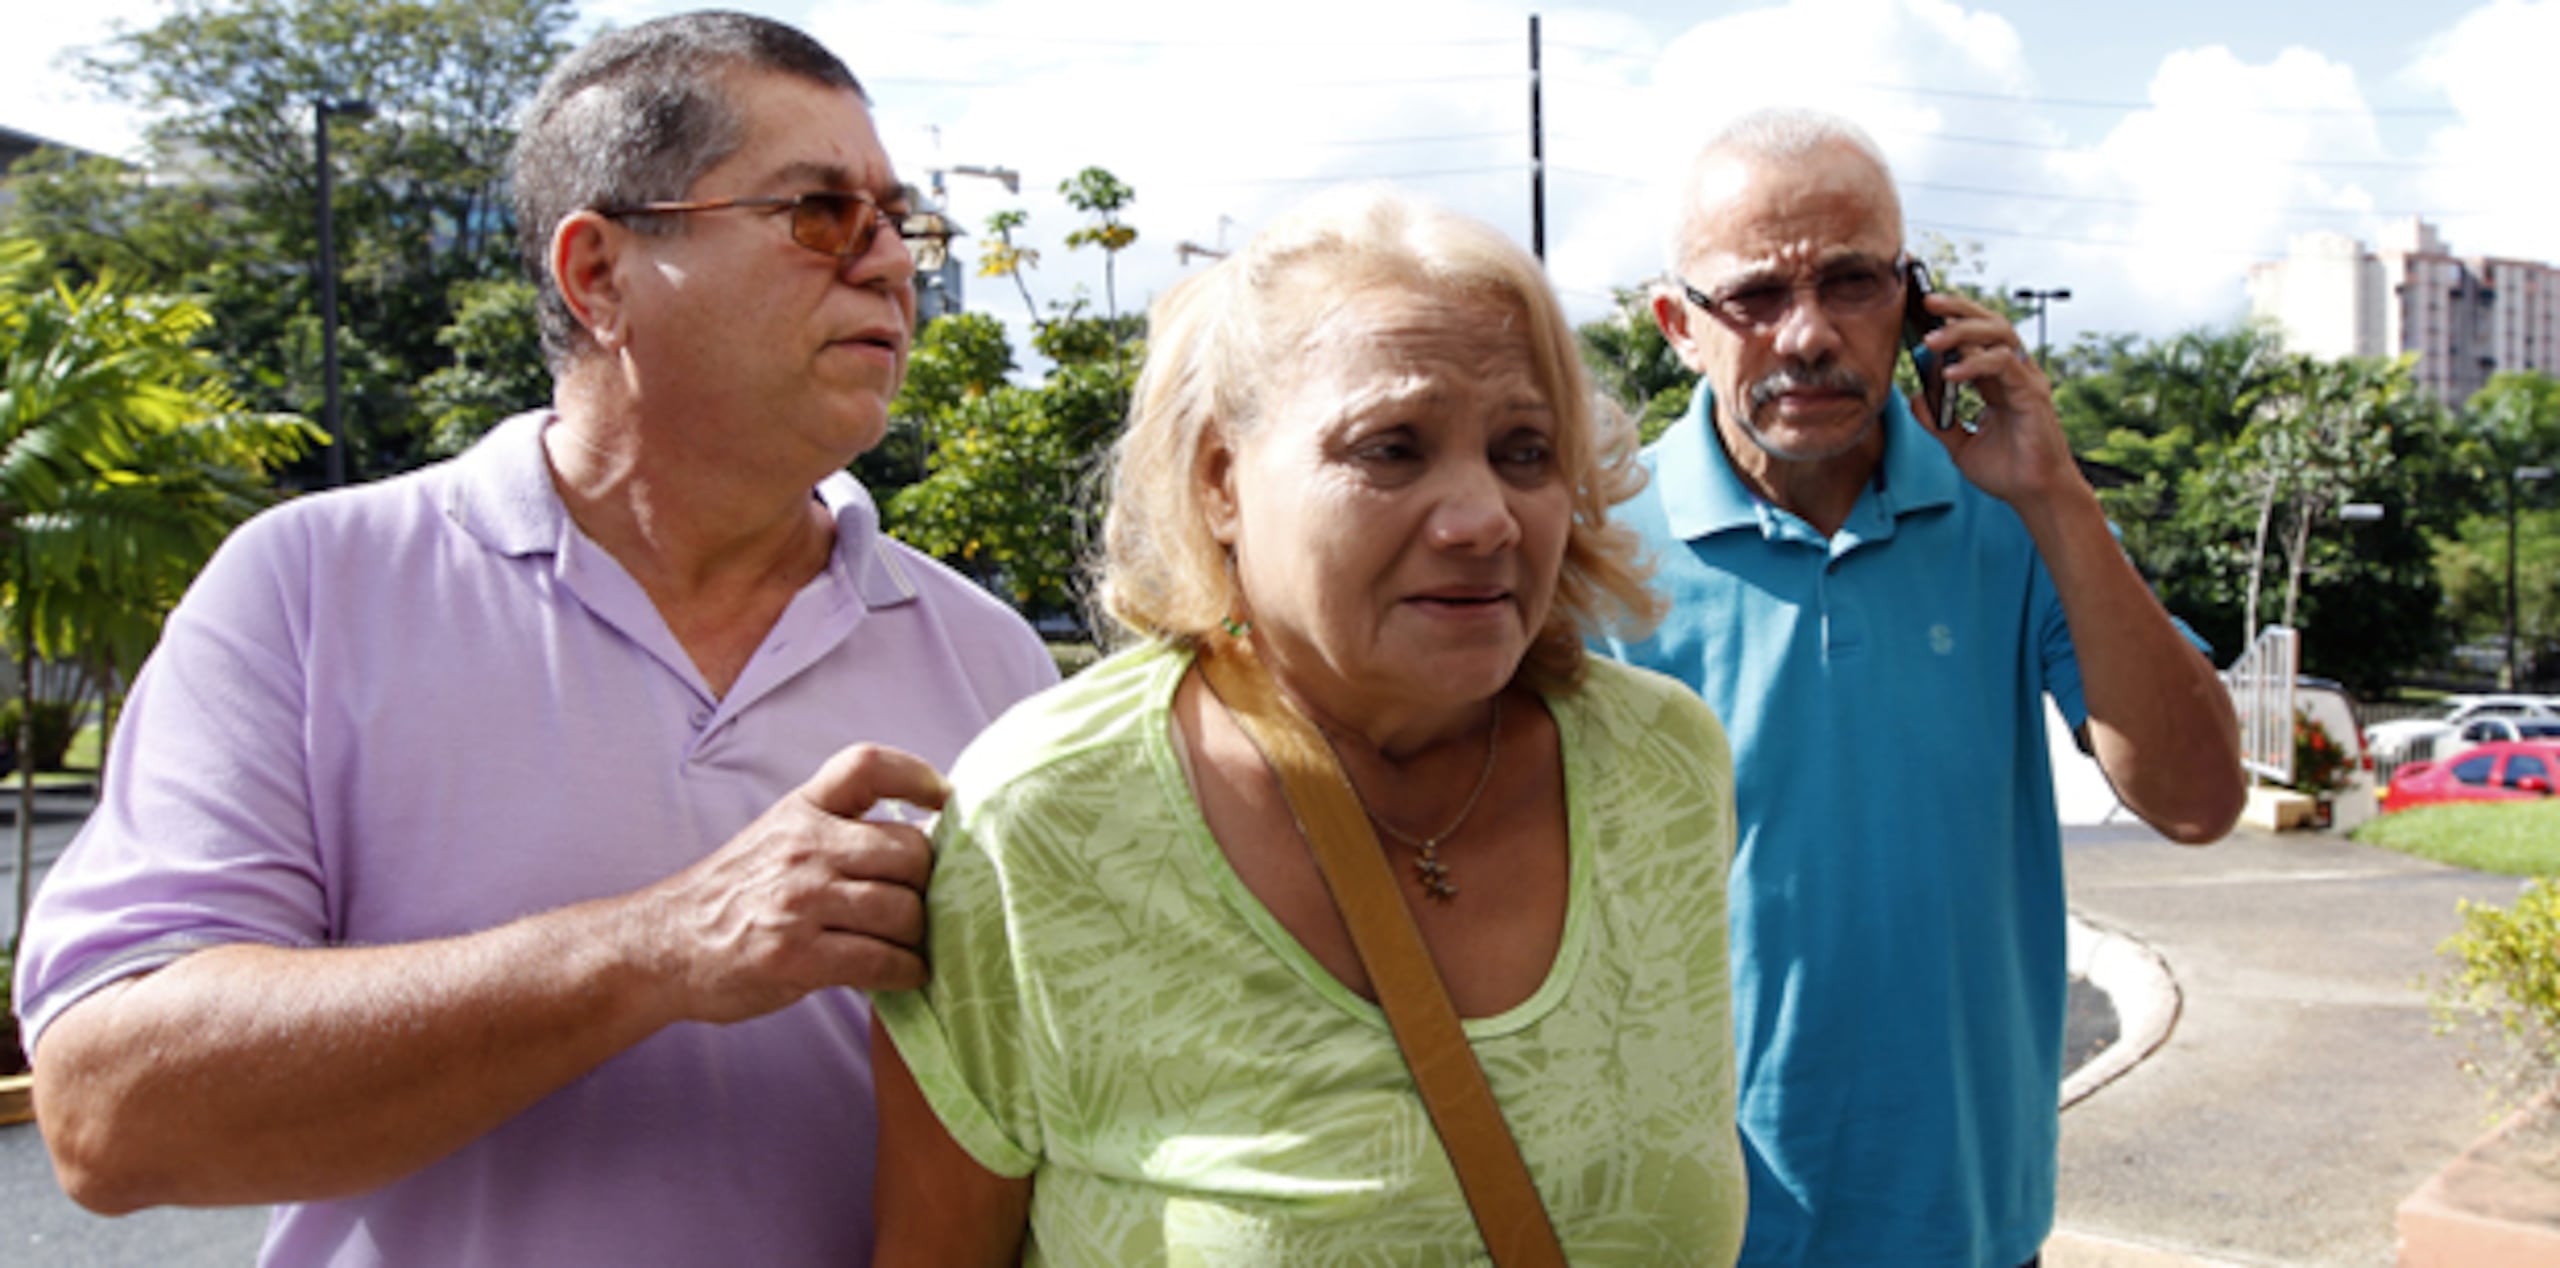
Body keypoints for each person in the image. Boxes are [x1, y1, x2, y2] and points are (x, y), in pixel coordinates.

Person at [12, 12, 1056, 1265]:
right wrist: (655, 947)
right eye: (821, 212)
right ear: (599, 273)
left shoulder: (992, 661)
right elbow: (109, 1113)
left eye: (901, 219)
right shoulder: (309, 589)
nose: (889, 262)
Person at [866, 187, 1748, 1265]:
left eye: (1525, 450)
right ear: (1221, 480)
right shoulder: (1043, 816)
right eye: (1389, 447)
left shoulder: (1660, 761)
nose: (1481, 518)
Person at [1596, 108, 2247, 1268]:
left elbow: (2197, 798)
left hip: (1966, 1225)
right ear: (1676, 327)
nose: (1806, 333)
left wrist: (2056, 496)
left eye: (1851, 281)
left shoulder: (2015, 516)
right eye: (1752, 295)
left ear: (1915, 301)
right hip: (1690, 1230)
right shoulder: (1593, 553)